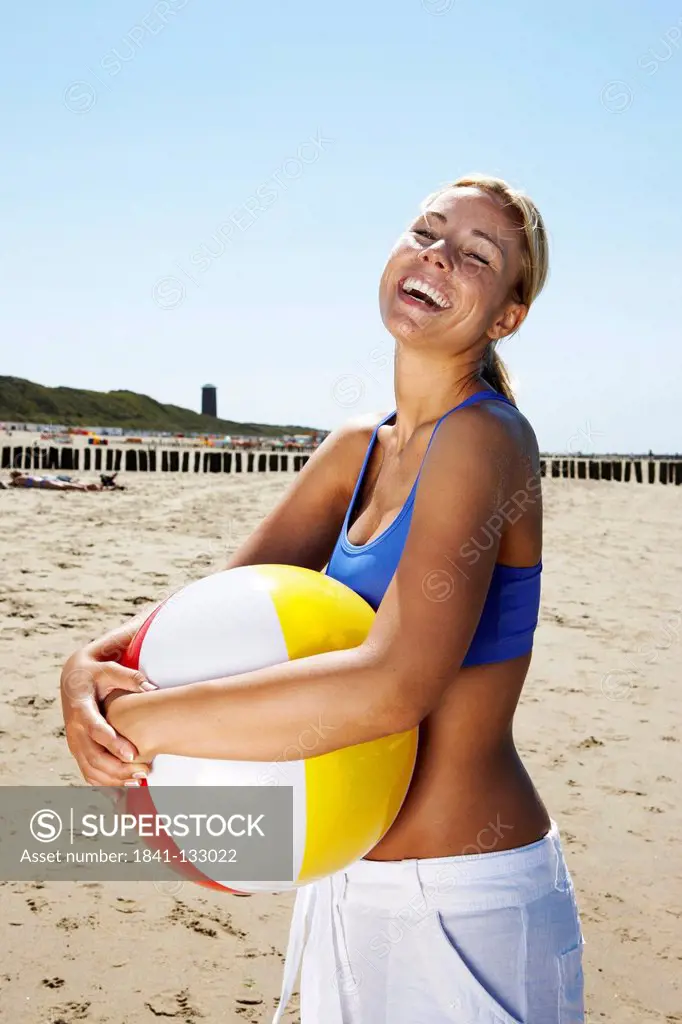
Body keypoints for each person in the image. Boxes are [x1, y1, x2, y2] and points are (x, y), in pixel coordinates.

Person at [60, 174, 585, 1023]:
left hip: (464, 899)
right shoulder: (356, 452)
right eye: (427, 231)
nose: (438, 256)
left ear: (506, 317)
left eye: (476, 255)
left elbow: (395, 687)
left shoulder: (487, 439)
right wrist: (84, 672)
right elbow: (197, 626)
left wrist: (144, 725)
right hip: (344, 880)